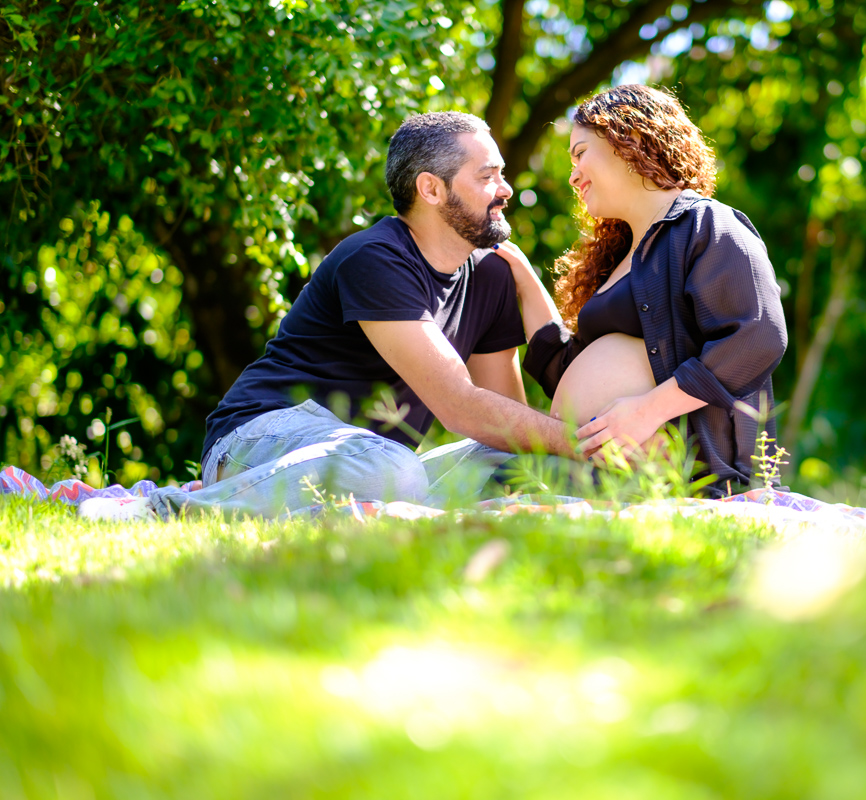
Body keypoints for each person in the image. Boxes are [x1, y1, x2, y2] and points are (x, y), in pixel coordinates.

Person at [80, 112, 573, 521]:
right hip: (259, 436)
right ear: (431, 189)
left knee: (518, 461)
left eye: (501, 173)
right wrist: (581, 440)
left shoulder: (488, 277)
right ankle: (169, 511)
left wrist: (526, 279)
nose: (505, 189)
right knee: (394, 470)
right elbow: (461, 407)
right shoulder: (376, 258)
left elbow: (505, 423)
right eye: (486, 176)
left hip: (365, 457)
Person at [497, 84, 788, 494]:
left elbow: (757, 336)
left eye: (580, 153)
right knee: (500, 485)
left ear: (628, 139)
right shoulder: (621, 257)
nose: (573, 174)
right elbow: (567, 372)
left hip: (688, 480)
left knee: (496, 492)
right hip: (597, 465)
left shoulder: (708, 226)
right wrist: (521, 277)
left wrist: (648, 412)